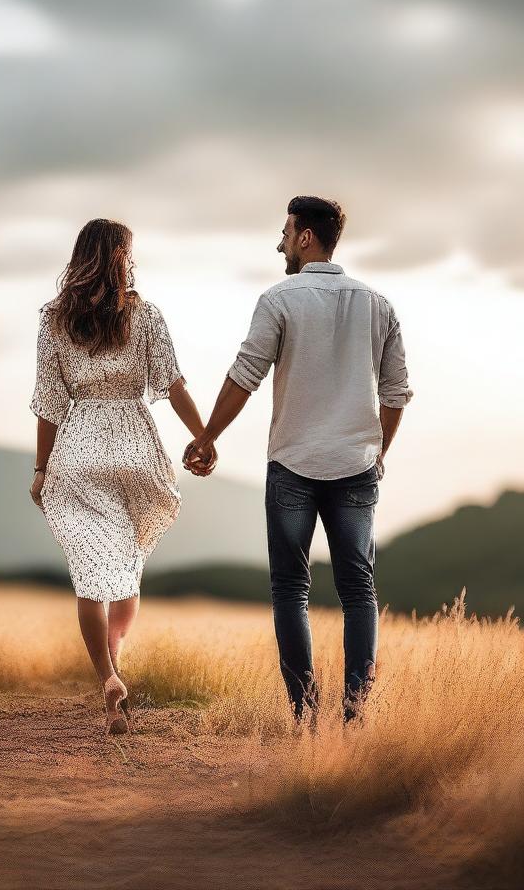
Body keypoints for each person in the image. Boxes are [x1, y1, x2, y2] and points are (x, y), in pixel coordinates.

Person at [183, 195, 413, 726]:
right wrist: (377, 454)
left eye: (285, 231)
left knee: (291, 589)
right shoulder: (379, 304)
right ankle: (354, 718)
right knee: (359, 590)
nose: (280, 243)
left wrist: (207, 437)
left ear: (306, 236)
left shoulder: (278, 299)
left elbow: (245, 375)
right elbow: (396, 394)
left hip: (292, 464)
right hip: (356, 465)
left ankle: (305, 715)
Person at [29, 218, 214, 736]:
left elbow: (47, 405)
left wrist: (41, 469)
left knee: (90, 573)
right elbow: (173, 386)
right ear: (120, 259)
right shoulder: (146, 315)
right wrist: (204, 436)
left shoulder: (52, 319)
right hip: (134, 445)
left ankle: (107, 676)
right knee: (127, 564)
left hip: (78, 448)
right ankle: (115, 662)